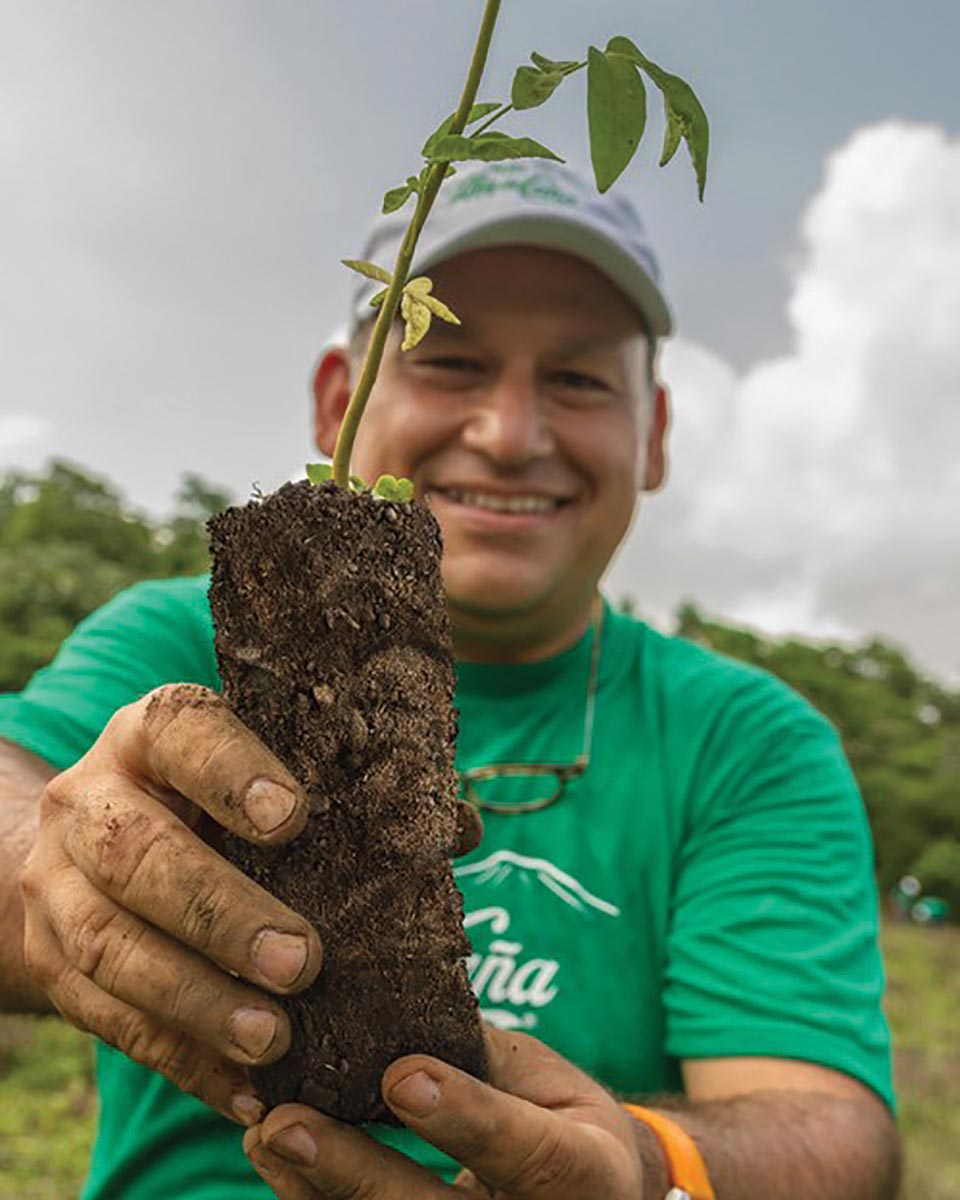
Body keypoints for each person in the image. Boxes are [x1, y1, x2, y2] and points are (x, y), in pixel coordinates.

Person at [0, 160, 901, 1200]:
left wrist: (647, 1166)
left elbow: (827, 1126)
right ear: (339, 400)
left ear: (652, 432)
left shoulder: (746, 739)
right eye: (450, 360)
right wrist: (58, 861)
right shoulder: (183, 649)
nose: (510, 435)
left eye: (577, 379)